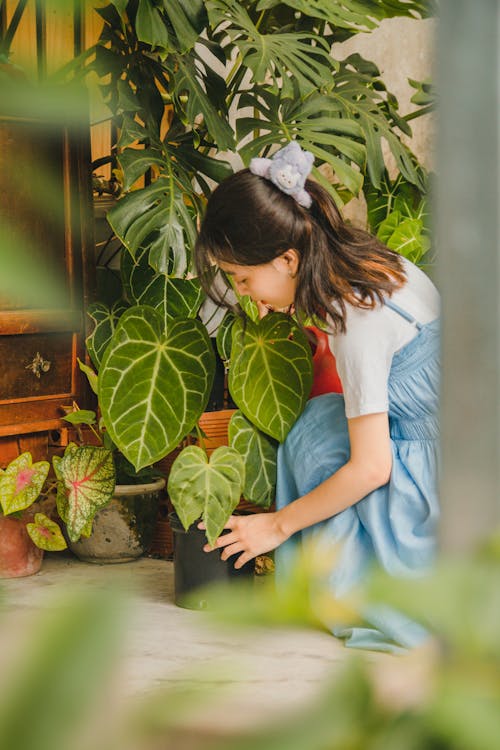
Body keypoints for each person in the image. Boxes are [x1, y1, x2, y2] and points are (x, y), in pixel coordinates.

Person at [194, 141, 440, 652]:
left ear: (287, 259)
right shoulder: (370, 266)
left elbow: (373, 467)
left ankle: (345, 588)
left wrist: (276, 526)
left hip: (436, 480)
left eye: (244, 278)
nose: (245, 294)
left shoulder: (357, 316)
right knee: (318, 421)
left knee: (315, 444)